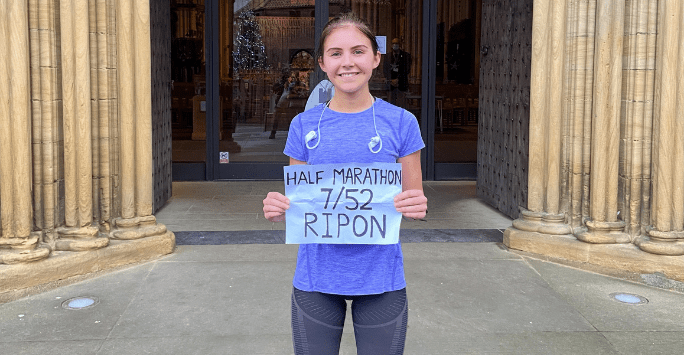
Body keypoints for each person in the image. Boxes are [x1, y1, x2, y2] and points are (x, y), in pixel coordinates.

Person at [262, 12, 427, 355]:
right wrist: (281, 210)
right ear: (322, 63)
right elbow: (301, 202)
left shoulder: (402, 123)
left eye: (358, 51)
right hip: (317, 277)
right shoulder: (303, 125)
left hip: (381, 276)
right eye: (336, 53)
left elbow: (415, 199)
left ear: (375, 58)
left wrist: (416, 206)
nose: (347, 62)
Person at [384, 37, 411, 107]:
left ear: (400, 45)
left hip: (401, 84)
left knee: (401, 105)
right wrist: (391, 80)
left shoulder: (406, 56)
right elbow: (385, 70)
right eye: (393, 43)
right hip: (390, 85)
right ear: (391, 45)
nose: (395, 45)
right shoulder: (387, 56)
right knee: (390, 105)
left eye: (396, 43)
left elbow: (407, 70)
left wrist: (398, 79)